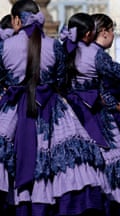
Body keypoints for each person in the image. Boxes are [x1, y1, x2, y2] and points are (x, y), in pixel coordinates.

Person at [0, 1, 107, 215]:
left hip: (12, 108)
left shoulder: (4, 46)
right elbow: (60, 80)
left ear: (16, 20)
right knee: (59, 162)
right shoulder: (54, 45)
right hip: (50, 108)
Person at [60, 12, 120, 215]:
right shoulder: (95, 54)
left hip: (70, 115)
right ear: (100, 32)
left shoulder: (66, 48)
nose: (114, 35)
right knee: (115, 159)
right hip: (95, 114)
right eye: (113, 31)